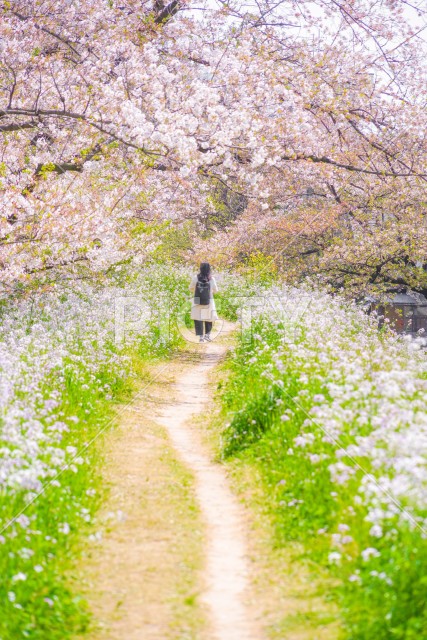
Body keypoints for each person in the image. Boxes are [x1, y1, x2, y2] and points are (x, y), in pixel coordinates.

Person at [190, 262, 219, 342]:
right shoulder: (211, 279)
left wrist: (197, 290)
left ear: (200, 268)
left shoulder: (195, 277)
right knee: (209, 317)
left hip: (197, 300)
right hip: (208, 300)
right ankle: (207, 335)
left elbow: (190, 288)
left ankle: (201, 337)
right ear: (209, 269)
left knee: (198, 318)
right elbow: (216, 290)